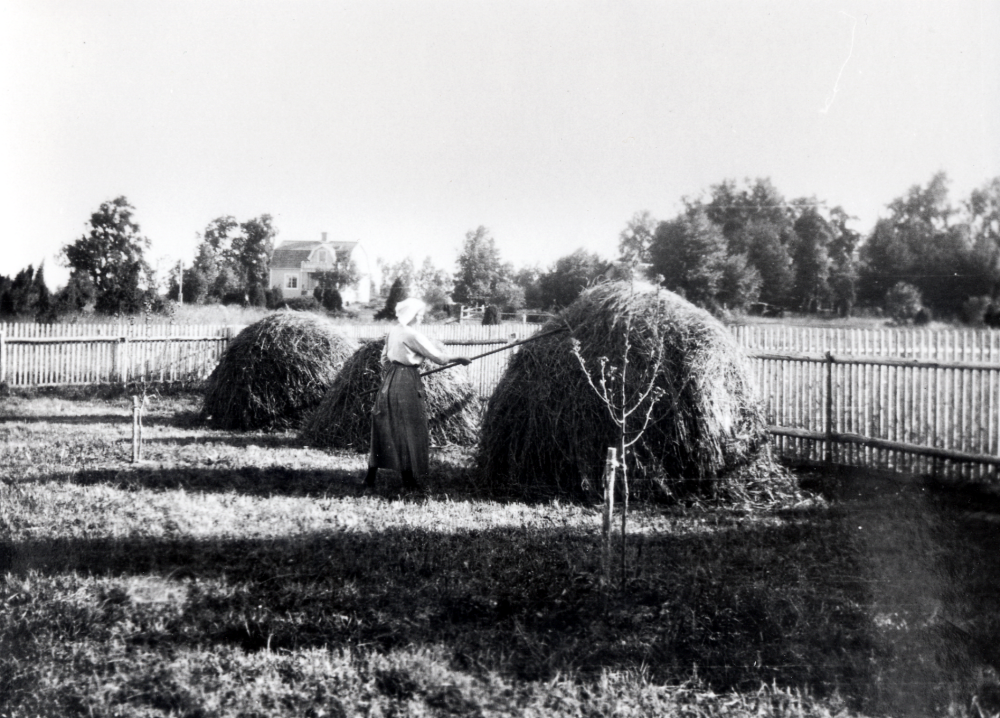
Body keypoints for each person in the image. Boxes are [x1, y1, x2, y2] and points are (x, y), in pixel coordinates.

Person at [363, 297, 471, 490]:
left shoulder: (394, 331)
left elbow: (383, 358)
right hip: (406, 382)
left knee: (384, 426)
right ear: (411, 315)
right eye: (419, 313)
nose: (421, 317)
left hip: (390, 380)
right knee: (407, 427)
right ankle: (408, 481)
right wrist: (459, 358)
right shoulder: (412, 335)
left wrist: (393, 373)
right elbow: (439, 358)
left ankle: (370, 477)